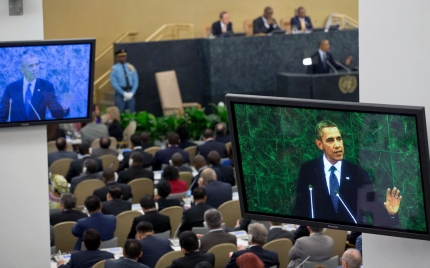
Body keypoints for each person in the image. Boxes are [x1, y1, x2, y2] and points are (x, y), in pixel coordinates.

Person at [293, 120, 402, 226]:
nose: (337, 145)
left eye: (339, 139)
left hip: (350, 236)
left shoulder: (358, 173)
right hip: (319, 235)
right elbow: (301, 206)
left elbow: (373, 208)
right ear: (320, 144)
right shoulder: (308, 169)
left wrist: (391, 214)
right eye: (330, 140)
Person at [0, 52, 71, 122]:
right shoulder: (11, 88)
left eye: (36, 64)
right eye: (31, 66)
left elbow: (56, 114)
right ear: (22, 69)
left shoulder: (46, 86)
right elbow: (2, 115)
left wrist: (63, 108)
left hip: (38, 130)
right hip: (16, 131)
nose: (35, 69)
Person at [110, 49, 139, 113]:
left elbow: (136, 81)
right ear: (117, 58)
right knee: (120, 112)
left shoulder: (131, 67)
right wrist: (123, 93)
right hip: (120, 94)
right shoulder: (114, 69)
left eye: (124, 56)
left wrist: (132, 92)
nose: (123, 58)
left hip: (130, 92)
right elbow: (114, 83)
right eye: (121, 56)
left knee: (131, 112)